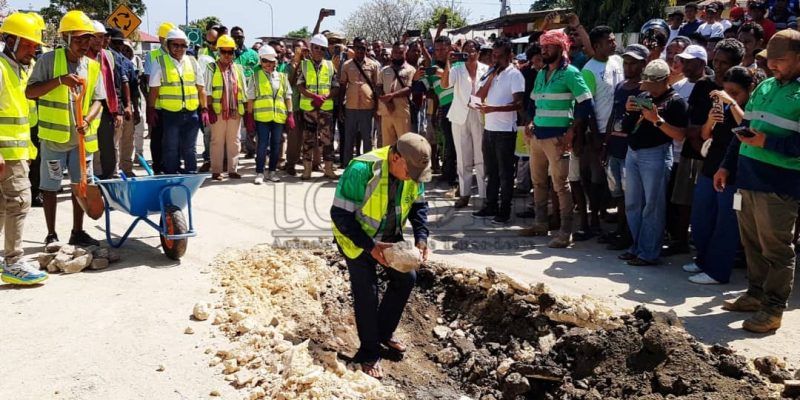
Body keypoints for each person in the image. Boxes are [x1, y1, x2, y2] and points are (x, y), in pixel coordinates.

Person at [716, 30, 800, 333]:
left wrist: (769, 143)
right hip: (748, 179)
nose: (773, 65)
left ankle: (774, 309)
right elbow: (744, 131)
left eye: (781, 60)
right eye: (770, 59)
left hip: (779, 186)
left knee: (777, 250)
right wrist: (726, 166)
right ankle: (755, 294)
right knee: (752, 245)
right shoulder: (764, 86)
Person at [330, 133, 431, 380]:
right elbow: (340, 215)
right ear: (395, 157)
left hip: (388, 236)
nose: (412, 179)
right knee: (367, 291)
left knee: (406, 279)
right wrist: (371, 246)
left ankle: (382, 334)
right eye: (409, 173)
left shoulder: (414, 169)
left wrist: (421, 237)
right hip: (357, 240)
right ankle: (368, 352)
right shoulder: (363, 169)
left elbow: (419, 206)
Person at [26, 10, 105, 247]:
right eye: (79, 39)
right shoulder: (47, 61)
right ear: (66, 38)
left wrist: (88, 120)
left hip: (81, 142)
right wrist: (60, 80)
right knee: (50, 187)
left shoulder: (92, 66)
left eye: (87, 39)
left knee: (81, 188)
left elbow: (99, 100)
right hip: (54, 140)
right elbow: (31, 92)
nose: (84, 44)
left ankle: (77, 232)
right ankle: (51, 234)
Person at [667, 40, 744, 257]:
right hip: (695, 150)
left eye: (724, 63)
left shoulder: (739, 90)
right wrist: (702, 143)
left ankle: (717, 255)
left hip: (724, 157)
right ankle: (684, 243)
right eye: (716, 61)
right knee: (686, 202)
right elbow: (692, 124)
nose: (718, 66)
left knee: (719, 211)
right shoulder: (703, 85)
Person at [684, 67, 759, 285]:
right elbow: (706, 135)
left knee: (725, 224)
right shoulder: (721, 107)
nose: (728, 96)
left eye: (735, 92)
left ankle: (717, 271)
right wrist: (710, 120)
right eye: (726, 91)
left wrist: (733, 104)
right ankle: (703, 261)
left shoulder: (751, 108)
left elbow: (748, 127)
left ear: (750, 90)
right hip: (711, 167)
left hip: (736, 173)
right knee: (701, 219)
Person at [518, 30, 593, 248]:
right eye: (543, 46)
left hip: (558, 138)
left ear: (561, 49)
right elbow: (533, 102)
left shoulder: (571, 73)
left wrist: (572, 130)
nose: (544, 50)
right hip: (538, 136)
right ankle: (541, 224)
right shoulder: (541, 74)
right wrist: (530, 122)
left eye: (549, 46)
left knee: (561, 184)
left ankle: (565, 232)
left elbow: (586, 103)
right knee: (539, 182)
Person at [618, 59, 688, 266]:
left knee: (653, 206)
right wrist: (630, 110)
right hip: (634, 152)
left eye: (651, 84)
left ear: (665, 80)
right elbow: (627, 128)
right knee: (633, 203)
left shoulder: (676, 102)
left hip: (656, 154)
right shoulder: (643, 96)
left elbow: (680, 135)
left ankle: (649, 252)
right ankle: (637, 246)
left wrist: (657, 120)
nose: (647, 88)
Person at [0, 12, 48, 285]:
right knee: (20, 202)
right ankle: (14, 262)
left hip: (18, 150)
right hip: (6, 152)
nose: (34, 49)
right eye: (28, 44)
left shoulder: (22, 69)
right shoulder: (2, 69)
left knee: (2, 206)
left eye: (34, 45)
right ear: (10, 40)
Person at [575, 26, 624, 241]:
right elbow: (588, 106)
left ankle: (606, 213)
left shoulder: (618, 61)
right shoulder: (589, 70)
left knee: (613, 179)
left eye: (613, 40)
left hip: (619, 131)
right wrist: (595, 136)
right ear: (596, 46)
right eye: (609, 41)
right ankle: (594, 218)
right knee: (596, 178)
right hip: (600, 131)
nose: (613, 44)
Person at [471, 39, 524, 225]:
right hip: (490, 129)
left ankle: (504, 210)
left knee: (505, 173)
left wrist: (494, 109)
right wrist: (492, 76)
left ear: (509, 56)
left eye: (500, 56)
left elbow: (519, 104)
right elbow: (478, 97)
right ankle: (490, 205)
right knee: (491, 171)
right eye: (494, 55)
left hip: (505, 131)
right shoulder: (490, 73)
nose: (496, 59)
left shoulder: (515, 75)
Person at [603, 44, 650, 251]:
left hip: (632, 149)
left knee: (631, 195)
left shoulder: (644, 89)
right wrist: (606, 142)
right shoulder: (621, 86)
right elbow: (613, 115)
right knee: (618, 194)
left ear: (643, 64)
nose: (629, 67)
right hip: (615, 145)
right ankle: (620, 229)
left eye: (633, 63)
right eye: (626, 63)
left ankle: (630, 234)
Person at [148, 29, 208, 175]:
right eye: (176, 45)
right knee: (170, 147)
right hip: (170, 114)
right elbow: (154, 90)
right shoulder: (160, 62)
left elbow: (201, 88)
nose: (179, 49)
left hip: (191, 112)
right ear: (168, 45)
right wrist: (151, 109)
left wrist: (204, 109)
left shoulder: (192, 62)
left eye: (183, 46)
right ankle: (171, 175)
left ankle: (191, 174)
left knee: (190, 148)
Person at [442, 39, 488, 209]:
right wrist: (448, 62)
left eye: (472, 49)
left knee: (481, 157)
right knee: (463, 157)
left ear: (478, 52)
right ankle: (464, 193)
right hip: (460, 115)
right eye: (466, 49)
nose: (469, 52)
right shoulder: (457, 68)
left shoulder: (486, 69)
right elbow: (445, 84)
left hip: (479, 114)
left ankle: (483, 195)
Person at [246, 45, 294, 184]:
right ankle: (260, 172)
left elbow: (288, 97)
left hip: (278, 117)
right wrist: (249, 117)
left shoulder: (282, 77)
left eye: (271, 61)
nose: (268, 64)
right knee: (262, 145)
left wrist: (290, 115)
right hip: (262, 118)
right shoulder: (255, 77)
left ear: (276, 62)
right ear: (260, 61)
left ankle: (272, 172)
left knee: (276, 145)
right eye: (265, 61)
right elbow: (251, 98)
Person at [298, 34, 338, 180]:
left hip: (325, 109)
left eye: (322, 48)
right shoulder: (304, 64)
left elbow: (336, 87)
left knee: (327, 140)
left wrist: (323, 97)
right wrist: (313, 97)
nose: (319, 51)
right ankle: (307, 170)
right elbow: (300, 86)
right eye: (316, 48)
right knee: (308, 139)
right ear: (311, 48)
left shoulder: (330, 65)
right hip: (309, 109)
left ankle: (328, 169)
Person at [205, 34, 246, 181]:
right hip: (217, 111)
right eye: (224, 51)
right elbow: (207, 90)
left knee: (234, 141)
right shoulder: (211, 67)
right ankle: (216, 171)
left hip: (235, 111)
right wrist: (208, 108)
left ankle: (232, 170)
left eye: (230, 52)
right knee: (217, 141)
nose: (227, 55)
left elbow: (244, 90)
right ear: (218, 51)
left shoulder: (238, 69)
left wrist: (246, 111)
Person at [87, 22, 124, 180]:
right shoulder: (80, 55)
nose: (98, 41)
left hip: (106, 108)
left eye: (101, 37)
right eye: (94, 37)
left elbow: (114, 84)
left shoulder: (107, 55)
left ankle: (108, 181)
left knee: (107, 149)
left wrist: (117, 111)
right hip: (85, 109)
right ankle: (87, 181)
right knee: (86, 150)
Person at [339, 37, 379, 167]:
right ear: (353, 48)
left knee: (367, 140)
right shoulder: (346, 65)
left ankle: (368, 168)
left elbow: (377, 87)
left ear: (367, 48)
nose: (360, 50)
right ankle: (347, 167)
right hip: (350, 107)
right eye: (358, 47)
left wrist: (377, 107)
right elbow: (342, 87)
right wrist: (340, 108)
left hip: (367, 107)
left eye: (363, 48)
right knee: (349, 139)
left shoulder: (373, 65)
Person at [144, 22, 176, 174]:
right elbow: (150, 81)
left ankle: (171, 166)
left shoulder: (179, 55)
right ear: (162, 38)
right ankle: (158, 167)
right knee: (157, 139)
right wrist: (150, 108)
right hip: (157, 106)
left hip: (175, 106)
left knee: (173, 139)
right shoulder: (153, 55)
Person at [107, 28, 138, 177]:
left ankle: (126, 168)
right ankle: (112, 171)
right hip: (112, 108)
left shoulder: (125, 62)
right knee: (113, 142)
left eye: (120, 43)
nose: (119, 47)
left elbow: (132, 86)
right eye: (115, 43)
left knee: (127, 140)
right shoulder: (106, 58)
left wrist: (133, 109)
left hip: (126, 107)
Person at [377, 42, 415, 147]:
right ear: (392, 53)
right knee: (387, 146)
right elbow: (378, 86)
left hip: (402, 112)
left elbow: (410, 88)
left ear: (405, 53)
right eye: (395, 52)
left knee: (404, 145)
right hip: (386, 112)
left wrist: (391, 96)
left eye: (400, 52)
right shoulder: (384, 70)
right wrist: (386, 101)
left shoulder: (411, 70)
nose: (398, 54)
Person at [285, 40, 307, 176]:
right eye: (297, 48)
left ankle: (309, 163)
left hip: (308, 104)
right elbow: (291, 82)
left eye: (302, 48)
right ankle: (290, 163)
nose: (300, 50)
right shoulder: (289, 66)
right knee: (294, 138)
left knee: (309, 137)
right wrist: (296, 63)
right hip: (295, 105)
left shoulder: (309, 64)